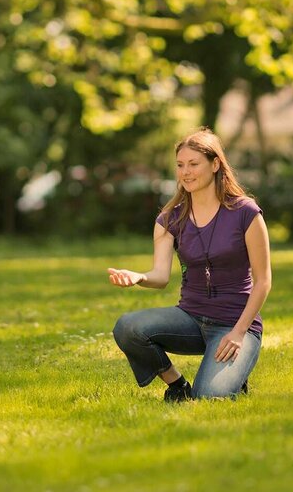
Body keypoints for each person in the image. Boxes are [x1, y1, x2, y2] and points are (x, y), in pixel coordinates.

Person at [109, 127, 271, 401]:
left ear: (215, 164)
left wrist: (238, 333)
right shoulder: (170, 218)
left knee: (210, 397)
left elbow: (264, 281)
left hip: (234, 325)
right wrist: (139, 277)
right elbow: (160, 276)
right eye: (180, 165)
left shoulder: (245, 212)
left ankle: (234, 375)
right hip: (190, 320)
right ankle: (177, 385)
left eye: (194, 164)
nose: (186, 172)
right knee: (127, 327)